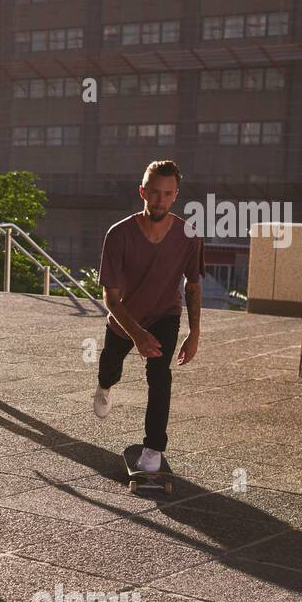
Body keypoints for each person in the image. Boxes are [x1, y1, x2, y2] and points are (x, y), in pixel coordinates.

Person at [93, 159, 203, 473]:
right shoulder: (118, 234)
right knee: (110, 366)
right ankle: (104, 386)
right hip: (125, 316)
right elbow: (110, 298)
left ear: (175, 195)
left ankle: (153, 448)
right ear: (142, 191)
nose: (160, 200)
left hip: (165, 314)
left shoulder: (189, 234)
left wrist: (194, 333)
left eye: (167, 194)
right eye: (154, 192)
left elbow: (192, 286)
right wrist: (137, 334)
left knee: (159, 376)